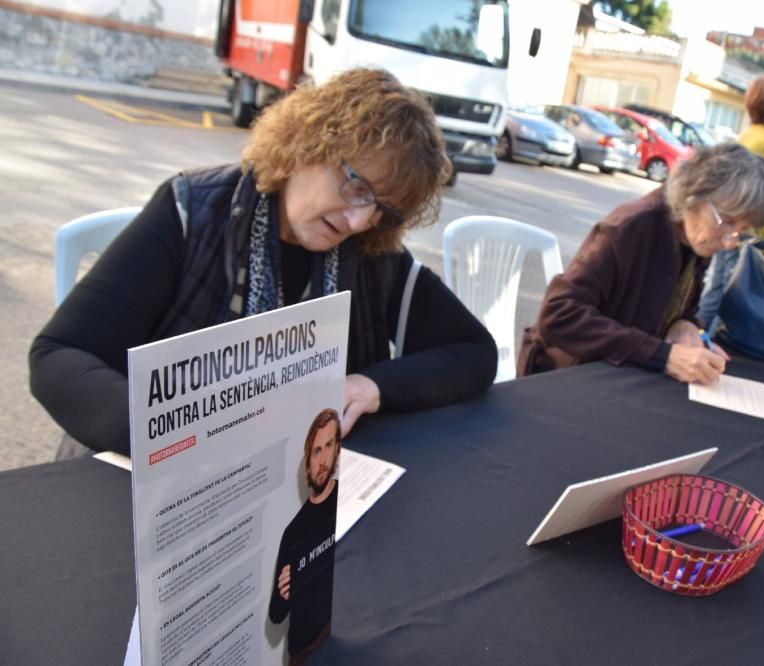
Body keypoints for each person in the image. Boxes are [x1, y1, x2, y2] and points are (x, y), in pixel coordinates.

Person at [29, 68, 498, 457]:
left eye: (382, 208)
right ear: (309, 143)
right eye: (357, 188)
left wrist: (371, 385)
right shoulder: (192, 212)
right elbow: (58, 357)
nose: (360, 219)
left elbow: (473, 352)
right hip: (139, 479)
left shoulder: (372, 253)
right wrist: (173, 440)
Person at [517, 143, 764, 384]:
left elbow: (673, 304)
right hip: (568, 376)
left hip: (622, 373)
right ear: (695, 195)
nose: (730, 242)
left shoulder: (696, 236)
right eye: (729, 222)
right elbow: (558, 314)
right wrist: (663, 356)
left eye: (742, 231)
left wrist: (686, 324)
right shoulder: (630, 229)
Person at [698, 74, 764, 333]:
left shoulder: (747, 136)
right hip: (751, 236)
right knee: (735, 302)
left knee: (716, 291)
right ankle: (711, 352)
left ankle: (697, 335)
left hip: (727, 228)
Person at [269, 408, 342, 664]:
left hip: (340, 634)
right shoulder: (293, 532)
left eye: (328, 445)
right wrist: (283, 592)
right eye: (316, 451)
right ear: (307, 464)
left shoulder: (345, 500)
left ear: (337, 449)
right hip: (303, 653)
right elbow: (276, 615)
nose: (322, 460)